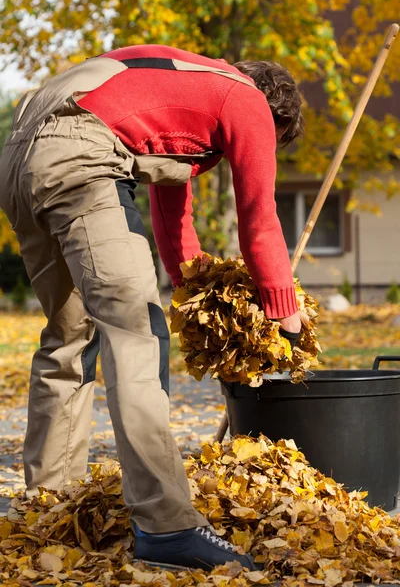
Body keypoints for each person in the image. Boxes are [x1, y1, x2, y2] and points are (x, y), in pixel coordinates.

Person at [0, 44, 304, 570]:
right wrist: (284, 312)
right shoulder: (247, 100)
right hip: (84, 154)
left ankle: (47, 509)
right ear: (275, 116)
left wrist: (201, 291)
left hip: (21, 152)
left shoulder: (182, 89)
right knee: (137, 335)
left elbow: (173, 223)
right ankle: (168, 527)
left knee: (70, 336)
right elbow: (260, 220)